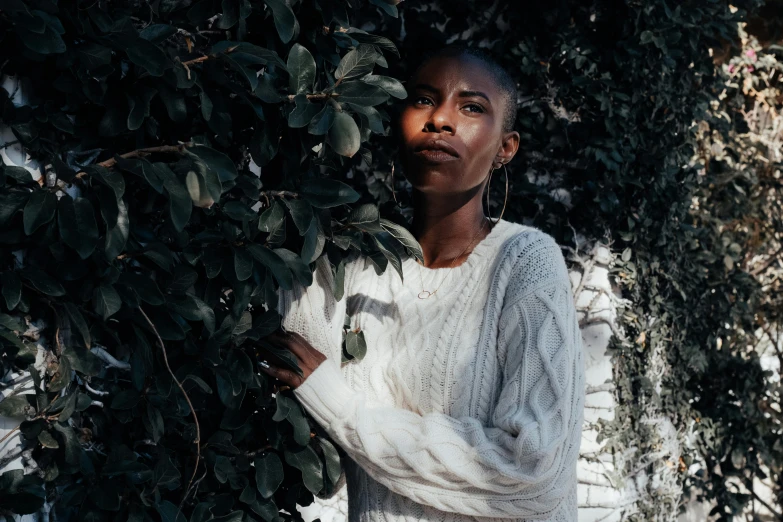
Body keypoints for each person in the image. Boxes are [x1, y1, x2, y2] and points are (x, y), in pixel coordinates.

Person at [259, 45, 585, 521]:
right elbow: (300, 366)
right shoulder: (354, 262)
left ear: (505, 147)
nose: (441, 120)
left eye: (472, 107)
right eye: (423, 100)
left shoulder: (525, 264)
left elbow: (532, 470)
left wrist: (345, 412)